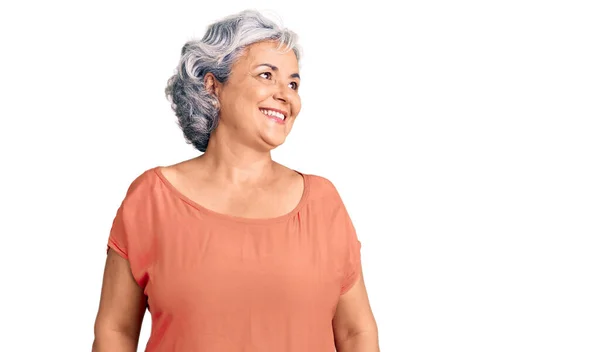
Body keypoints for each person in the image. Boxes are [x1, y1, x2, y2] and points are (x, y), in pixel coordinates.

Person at [92, 9, 379, 352]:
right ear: (213, 86)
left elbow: (355, 332)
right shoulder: (151, 199)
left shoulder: (322, 202)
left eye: (293, 83)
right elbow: (116, 331)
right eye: (266, 75)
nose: (285, 94)